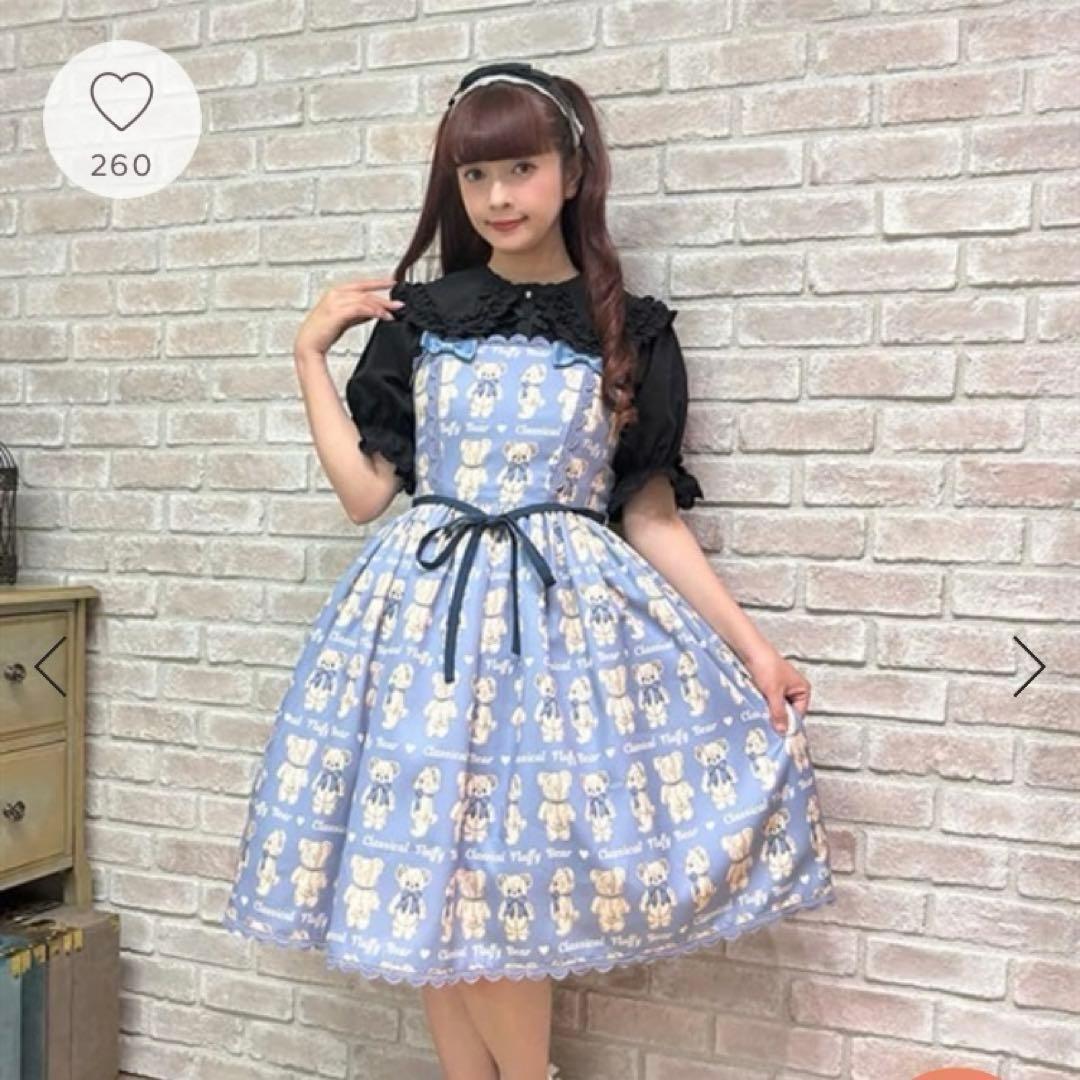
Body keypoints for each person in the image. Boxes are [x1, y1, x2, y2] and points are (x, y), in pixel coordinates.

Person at [221, 60, 838, 1080]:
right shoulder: (422, 318)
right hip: (423, 629)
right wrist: (307, 358)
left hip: (557, 643)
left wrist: (756, 651)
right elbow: (367, 495)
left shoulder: (631, 330)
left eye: (520, 167)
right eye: (475, 176)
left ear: (573, 172)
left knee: (504, 882)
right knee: (435, 877)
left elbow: (650, 516)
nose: (497, 196)